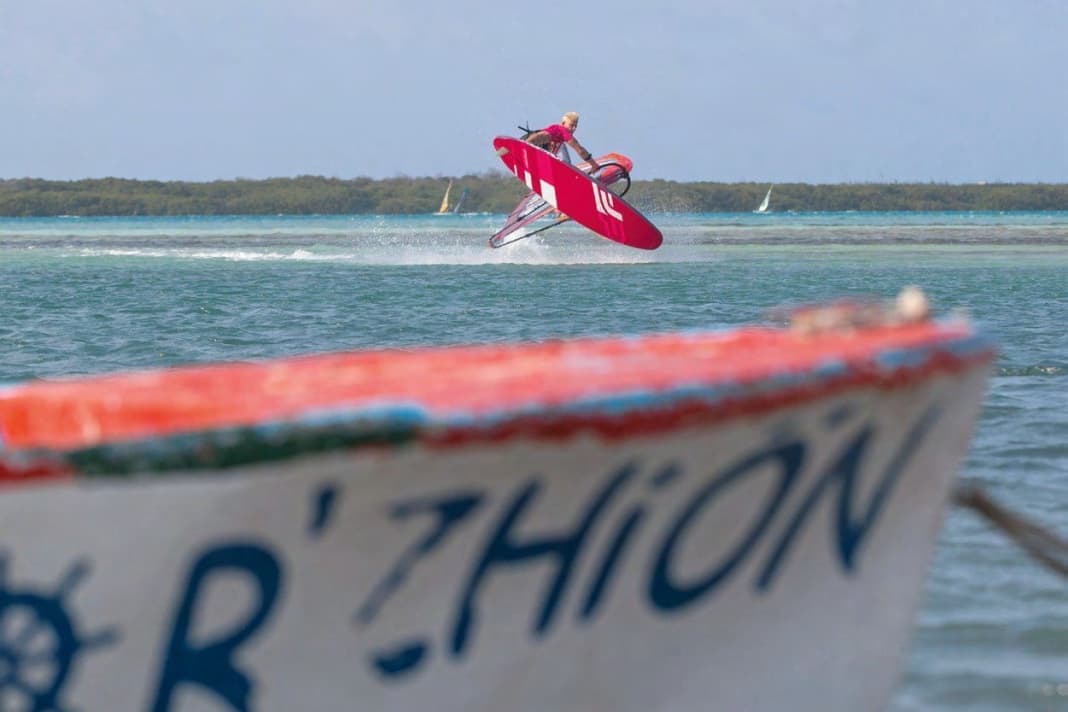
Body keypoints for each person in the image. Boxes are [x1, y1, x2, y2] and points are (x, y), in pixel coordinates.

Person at [524, 112, 600, 172]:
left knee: (560, 148)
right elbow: (580, 150)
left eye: (575, 126)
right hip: (529, 145)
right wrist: (593, 164)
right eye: (571, 125)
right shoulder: (561, 130)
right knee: (561, 151)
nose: (573, 129)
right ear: (563, 123)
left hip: (537, 156)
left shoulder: (559, 134)